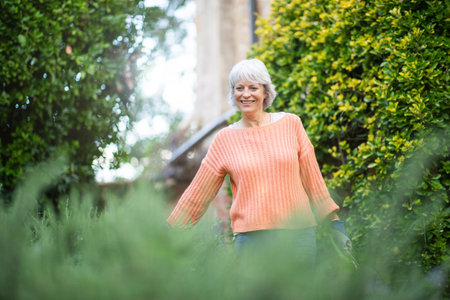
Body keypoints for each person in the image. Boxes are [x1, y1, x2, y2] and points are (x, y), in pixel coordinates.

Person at [167, 58, 353, 265]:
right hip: (251, 244)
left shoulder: (291, 124)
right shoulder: (225, 139)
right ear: (233, 94)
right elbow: (197, 194)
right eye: (239, 88)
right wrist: (166, 238)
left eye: (253, 87)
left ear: (265, 92)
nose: (246, 94)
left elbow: (314, 181)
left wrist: (335, 226)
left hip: (298, 238)